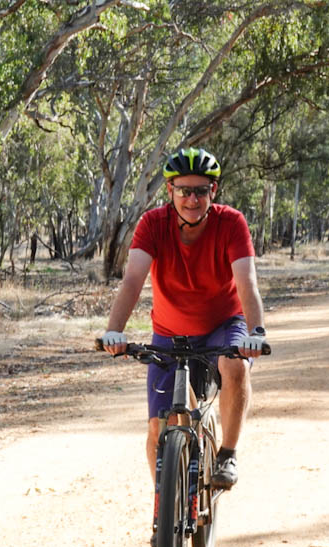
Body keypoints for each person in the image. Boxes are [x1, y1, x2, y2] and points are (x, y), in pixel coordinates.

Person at [100, 147, 266, 502]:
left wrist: (256, 332)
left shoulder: (231, 223)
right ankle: (166, 506)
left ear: (213, 191)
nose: (192, 199)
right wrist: (114, 329)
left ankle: (227, 454)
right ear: (170, 190)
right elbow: (133, 279)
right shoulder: (152, 224)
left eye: (201, 191)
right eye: (184, 190)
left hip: (223, 325)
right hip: (170, 334)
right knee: (158, 428)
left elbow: (246, 282)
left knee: (236, 365)